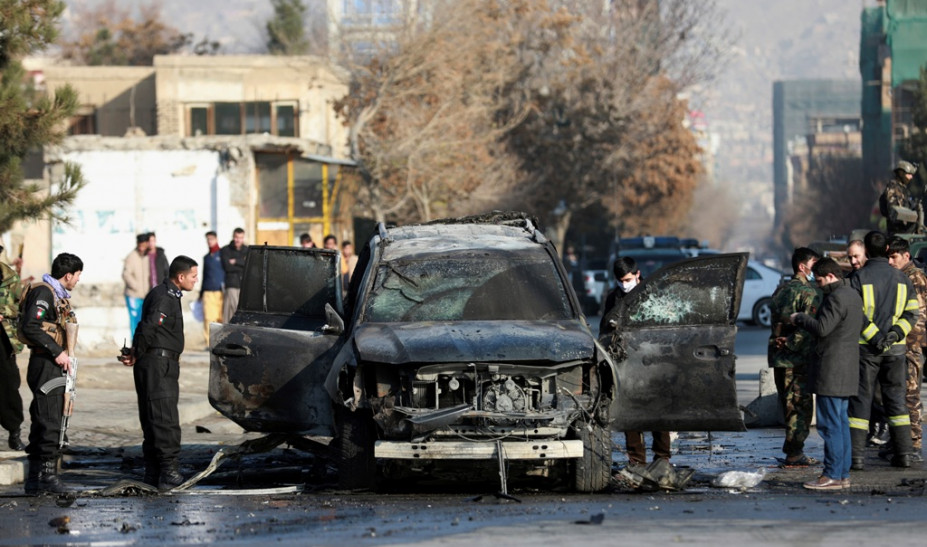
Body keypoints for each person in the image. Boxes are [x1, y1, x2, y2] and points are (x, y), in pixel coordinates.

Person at [118, 255, 198, 490]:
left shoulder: (167, 294)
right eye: (193, 276)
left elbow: (146, 327)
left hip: (157, 362)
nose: (196, 281)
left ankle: (154, 472)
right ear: (180, 277)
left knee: (154, 417)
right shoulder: (165, 296)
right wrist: (137, 352)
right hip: (158, 364)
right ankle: (168, 472)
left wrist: (137, 351)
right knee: (164, 418)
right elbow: (150, 326)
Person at [848, 230, 919, 469]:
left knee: (860, 403)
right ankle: (905, 455)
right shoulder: (902, 279)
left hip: (867, 351)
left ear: (866, 251)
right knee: (897, 403)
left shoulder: (858, 278)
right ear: (888, 250)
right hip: (896, 351)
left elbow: (854, 314)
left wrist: (875, 337)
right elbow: (912, 313)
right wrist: (894, 334)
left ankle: (856, 458)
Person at [791, 257, 863, 490]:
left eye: (820, 280)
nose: (818, 285)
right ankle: (842, 474)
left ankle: (831, 475)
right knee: (841, 424)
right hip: (847, 369)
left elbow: (822, 328)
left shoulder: (836, 298)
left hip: (832, 371)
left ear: (831, 276)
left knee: (830, 426)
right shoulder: (852, 295)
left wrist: (801, 318)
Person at [20, 253, 83, 495]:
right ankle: (46, 475)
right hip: (46, 363)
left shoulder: (57, 295)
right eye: (77, 276)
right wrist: (57, 352)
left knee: (47, 416)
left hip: (53, 363)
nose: (77, 281)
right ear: (68, 275)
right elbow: (31, 326)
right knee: (49, 419)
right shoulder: (44, 293)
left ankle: (36, 479)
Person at [600, 257, 672, 467]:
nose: (624, 284)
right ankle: (636, 461)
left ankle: (662, 459)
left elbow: (666, 324)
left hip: (653, 359)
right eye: (620, 280)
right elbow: (605, 328)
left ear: (637, 274)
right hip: (626, 363)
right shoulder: (613, 298)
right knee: (630, 414)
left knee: (658, 412)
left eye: (628, 279)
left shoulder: (653, 293)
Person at [768, 247, 822, 466]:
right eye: (814, 264)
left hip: (779, 356)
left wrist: (783, 341)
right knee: (799, 408)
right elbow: (808, 328)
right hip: (798, 359)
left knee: (787, 404)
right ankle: (794, 453)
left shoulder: (780, 290)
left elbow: (776, 322)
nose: (815, 270)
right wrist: (791, 342)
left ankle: (793, 451)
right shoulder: (810, 292)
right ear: (803, 266)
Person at [886, 236, 927, 463]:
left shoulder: (915, 277)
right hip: (901, 343)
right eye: (888, 257)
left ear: (906, 256)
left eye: (894, 257)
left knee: (910, 395)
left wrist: (905, 340)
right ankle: (899, 440)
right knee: (898, 394)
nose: (890, 261)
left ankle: (913, 442)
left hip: (910, 344)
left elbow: (918, 318)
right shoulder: (901, 277)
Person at [0, 253, 25, 451]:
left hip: (4, 339)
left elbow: (19, 307)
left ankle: (14, 431)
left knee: (9, 384)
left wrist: (4, 312)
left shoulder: (10, 277)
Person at [879, 160, 919, 235]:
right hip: (898, 232)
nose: (911, 177)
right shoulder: (893, 188)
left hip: (906, 230)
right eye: (909, 174)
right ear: (901, 173)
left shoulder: (903, 189)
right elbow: (894, 212)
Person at [122, 234, 150, 338]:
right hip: (133, 295)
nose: (142, 247)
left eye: (144, 245)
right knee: (135, 321)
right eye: (140, 245)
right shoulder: (131, 257)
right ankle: (135, 345)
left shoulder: (148, 257)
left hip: (145, 295)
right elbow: (126, 274)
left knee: (144, 321)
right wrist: (135, 286)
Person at [200, 231, 224, 346]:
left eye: (212, 239)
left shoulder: (223, 254)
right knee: (209, 318)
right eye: (208, 239)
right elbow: (204, 275)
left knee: (220, 318)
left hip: (221, 291)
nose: (210, 242)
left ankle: (220, 341)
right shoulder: (206, 258)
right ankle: (209, 343)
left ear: (216, 239)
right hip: (208, 291)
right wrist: (200, 293)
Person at [220, 228, 248, 323]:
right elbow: (227, 267)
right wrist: (243, 263)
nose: (238, 240)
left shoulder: (247, 250)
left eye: (240, 237)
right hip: (231, 285)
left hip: (244, 287)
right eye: (236, 237)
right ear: (233, 236)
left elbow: (250, 267)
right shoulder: (225, 250)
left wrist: (236, 261)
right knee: (230, 314)